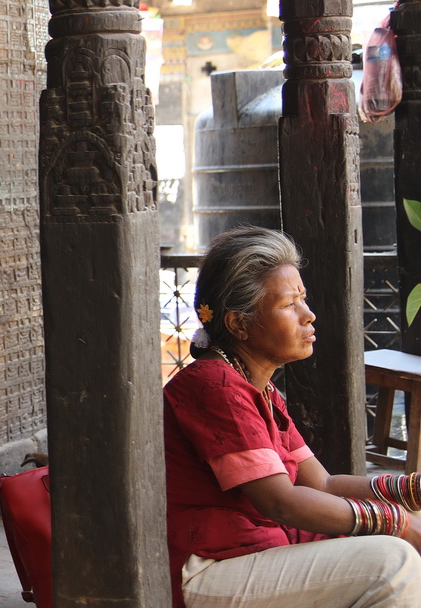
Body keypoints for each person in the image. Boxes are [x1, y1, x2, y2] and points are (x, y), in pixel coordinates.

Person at [164, 226, 421, 607]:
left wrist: (411, 490)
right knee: (391, 562)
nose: (309, 315)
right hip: (204, 569)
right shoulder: (214, 387)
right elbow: (279, 502)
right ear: (238, 324)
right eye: (289, 304)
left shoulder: (259, 388)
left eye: (303, 299)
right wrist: (394, 521)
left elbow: (324, 484)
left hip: (252, 550)